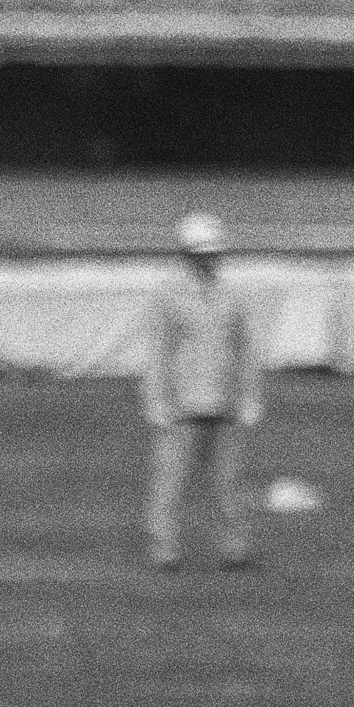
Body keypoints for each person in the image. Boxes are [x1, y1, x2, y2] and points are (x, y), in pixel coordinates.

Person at [141, 212, 261, 572]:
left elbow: (245, 350)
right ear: (186, 254)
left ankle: (235, 548)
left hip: (224, 402)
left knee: (229, 482)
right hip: (182, 404)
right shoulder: (167, 295)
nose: (208, 259)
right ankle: (165, 549)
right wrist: (157, 400)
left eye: (213, 253)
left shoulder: (233, 296)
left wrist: (250, 396)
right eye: (200, 253)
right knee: (170, 483)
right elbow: (158, 351)